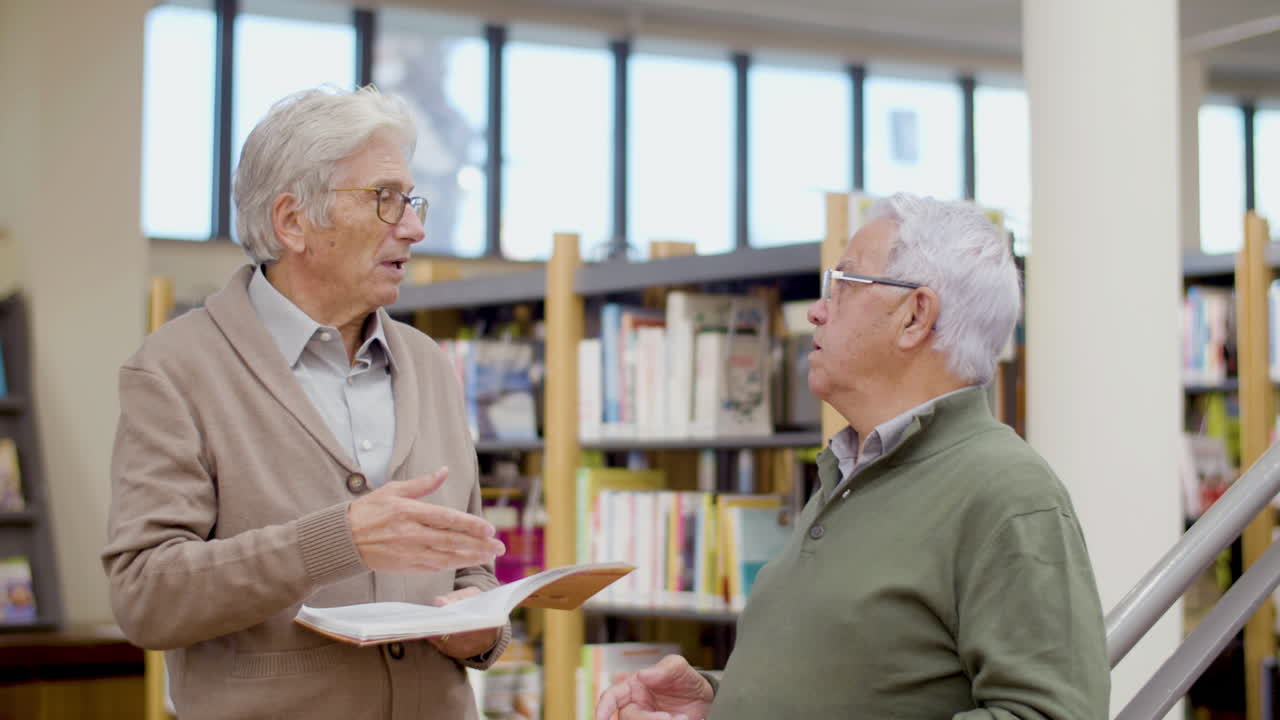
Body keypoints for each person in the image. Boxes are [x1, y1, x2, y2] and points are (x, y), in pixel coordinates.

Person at [596, 194, 1110, 720]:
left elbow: (1049, 714)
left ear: (915, 315)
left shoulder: (1008, 491)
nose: (817, 312)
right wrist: (717, 701)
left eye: (842, 285)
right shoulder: (849, 470)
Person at [103, 86, 509, 720]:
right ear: (293, 221)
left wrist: (480, 631)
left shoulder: (428, 363)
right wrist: (333, 541)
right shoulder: (174, 370)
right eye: (384, 200)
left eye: (411, 198)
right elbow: (145, 597)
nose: (415, 226)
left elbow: (471, 572)